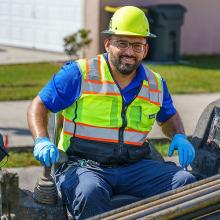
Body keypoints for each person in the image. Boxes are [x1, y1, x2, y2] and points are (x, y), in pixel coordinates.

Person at [27, 6, 196, 219]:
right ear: (108, 44)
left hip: (134, 166)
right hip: (83, 166)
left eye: (136, 45)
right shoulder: (80, 73)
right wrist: (41, 140)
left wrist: (179, 135)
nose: (129, 52)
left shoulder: (156, 84)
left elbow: (169, 116)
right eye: (122, 43)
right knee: (90, 193)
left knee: (186, 184)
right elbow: (39, 105)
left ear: (145, 49)